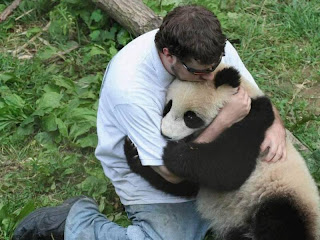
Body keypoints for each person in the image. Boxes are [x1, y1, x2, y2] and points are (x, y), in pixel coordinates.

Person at [13, 5, 286, 240]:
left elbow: (252, 93)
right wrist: (224, 121)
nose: (209, 76)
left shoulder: (207, 54)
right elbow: (170, 171)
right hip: (151, 167)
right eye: (200, 72)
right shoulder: (130, 87)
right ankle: (76, 220)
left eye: (213, 67)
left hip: (201, 151)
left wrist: (275, 126)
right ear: (168, 54)